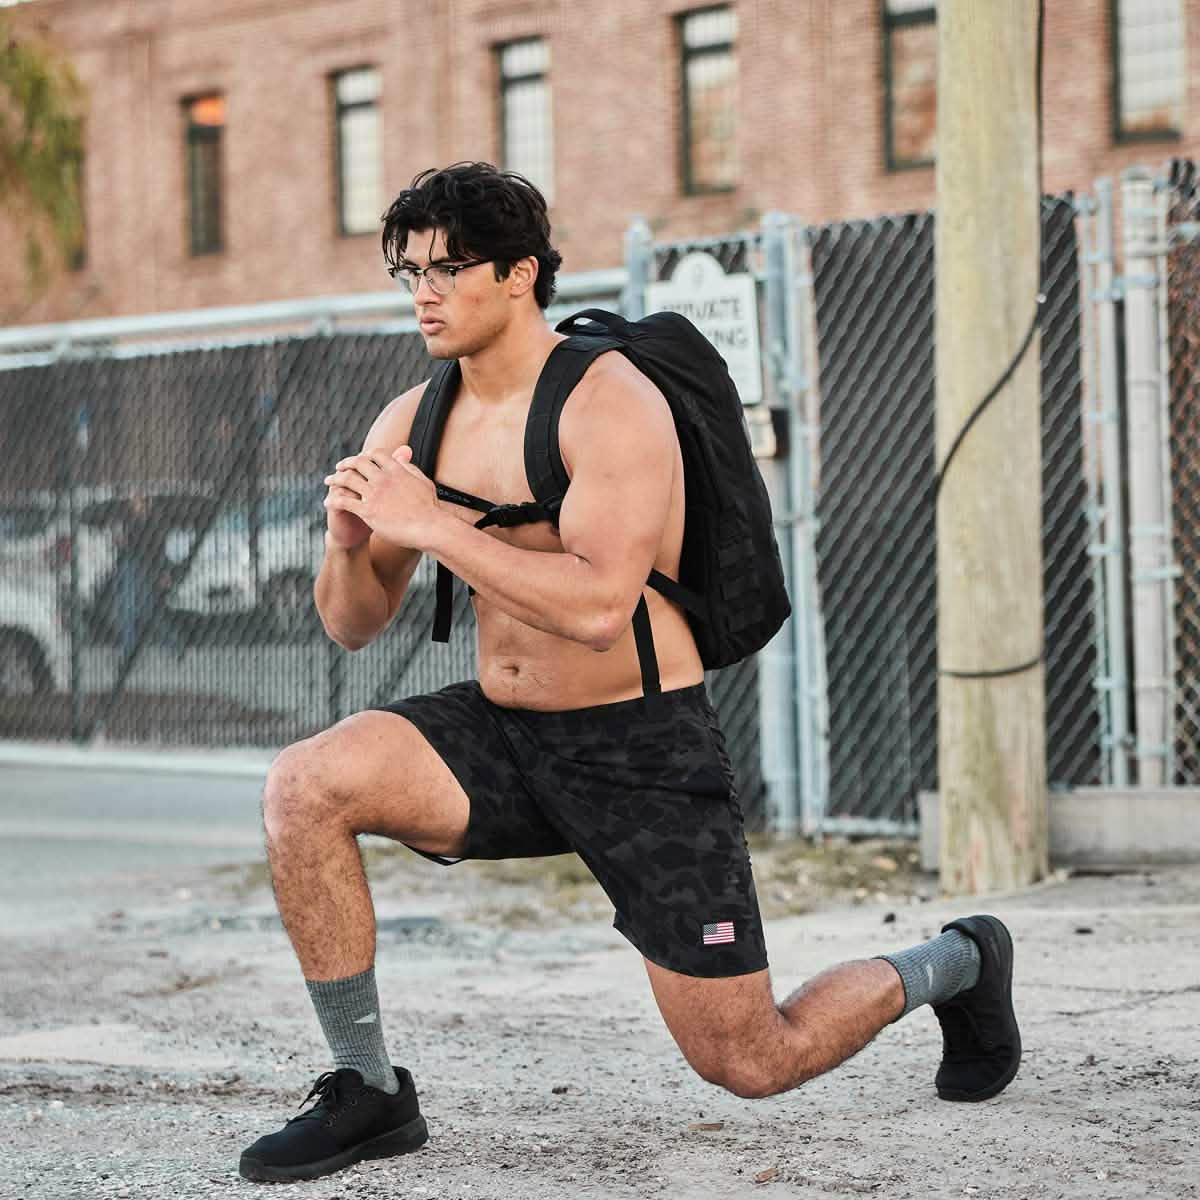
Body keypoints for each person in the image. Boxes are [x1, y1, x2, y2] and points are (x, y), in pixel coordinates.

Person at [238, 163, 1021, 1184]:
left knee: (751, 1057)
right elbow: (351, 627)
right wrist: (350, 542)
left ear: (521, 274)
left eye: (450, 268)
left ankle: (960, 961)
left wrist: (432, 522)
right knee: (304, 784)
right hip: (503, 730)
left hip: (638, 744)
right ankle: (368, 1090)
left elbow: (603, 608)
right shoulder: (412, 422)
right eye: (410, 270)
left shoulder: (610, 404)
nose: (424, 292)